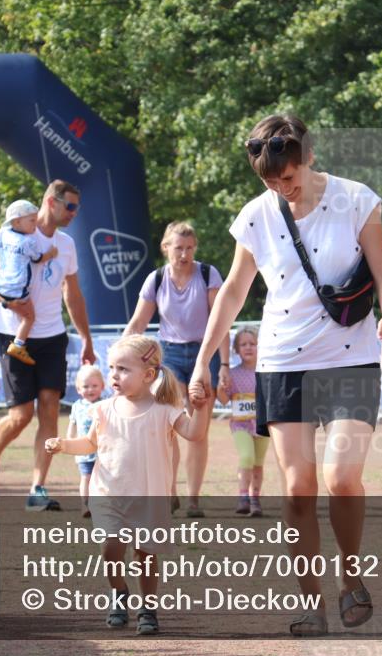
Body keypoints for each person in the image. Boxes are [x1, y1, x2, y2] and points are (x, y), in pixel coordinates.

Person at [188, 114, 382, 636]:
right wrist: (203, 359)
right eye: (269, 181)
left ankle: (350, 576)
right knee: (298, 487)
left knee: (341, 477)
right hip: (284, 361)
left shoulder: (356, 199)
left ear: (308, 156)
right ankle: (312, 603)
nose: (282, 188)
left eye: (287, 176)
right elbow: (233, 292)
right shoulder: (256, 216)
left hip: (350, 356)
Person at [45, 335, 208, 635]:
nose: (114, 375)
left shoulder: (165, 410)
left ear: (148, 375)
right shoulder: (103, 409)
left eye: (123, 369)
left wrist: (201, 407)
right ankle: (118, 592)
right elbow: (90, 443)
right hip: (109, 494)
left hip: (148, 498)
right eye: (111, 368)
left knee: (145, 555)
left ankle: (148, 608)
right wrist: (64, 445)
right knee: (111, 549)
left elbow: (195, 433)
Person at [0, 179, 96, 511]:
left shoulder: (67, 244)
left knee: (50, 407)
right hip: (14, 333)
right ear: (50, 202)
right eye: (70, 206)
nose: (74, 213)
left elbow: (73, 294)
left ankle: (37, 488)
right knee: (21, 415)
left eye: (76, 208)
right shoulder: (12, 233)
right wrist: (5, 301)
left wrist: (85, 337)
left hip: (53, 335)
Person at [123, 221, 230, 518]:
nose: (184, 254)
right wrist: (120, 355)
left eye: (190, 248)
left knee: (198, 427)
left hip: (204, 353)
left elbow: (221, 320)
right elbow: (138, 322)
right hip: (169, 354)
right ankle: (169, 492)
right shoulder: (156, 279)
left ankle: (194, 499)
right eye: (179, 248)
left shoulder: (207, 274)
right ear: (166, 247)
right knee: (169, 423)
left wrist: (223, 364)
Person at [0, 200, 59, 365]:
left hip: (1, 284)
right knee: (29, 317)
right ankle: (18, 345)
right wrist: (51, 253)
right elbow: (38, 258)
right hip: (18, 290)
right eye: (32, 220)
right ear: (17, 222)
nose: (35, 224)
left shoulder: (2, 235)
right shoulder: (28, 242)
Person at [216, 327, 268, 517]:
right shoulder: (232, 374)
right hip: (240, 425)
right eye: (243, 344)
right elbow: (223, 399)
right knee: (246, 457)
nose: (248, 347)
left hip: (262, 425)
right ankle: (243, 497)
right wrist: (221, 386)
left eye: (252, 344)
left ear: (260, 346)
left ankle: (255, 499)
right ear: (236, 349)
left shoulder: (266, 372)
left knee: (258, 463)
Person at [68, 364, 106, 518]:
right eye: (85, 386)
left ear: (102, 386)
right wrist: (69, 444)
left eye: (94, 386)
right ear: (78, 389)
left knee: (103, 480)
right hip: (84, 453)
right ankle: (85, 504)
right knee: (86, 478)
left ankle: (103, 506)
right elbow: (72, 425)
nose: (90, 390)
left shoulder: (106, 405)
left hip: (103, 452)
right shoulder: (77, 406)